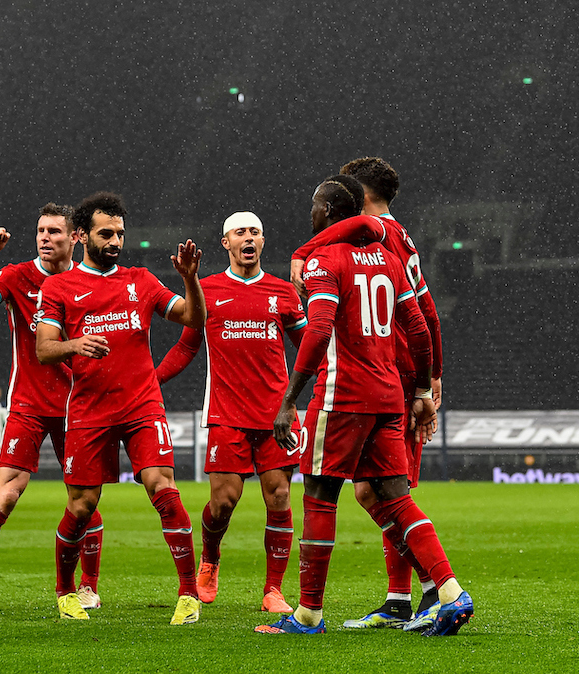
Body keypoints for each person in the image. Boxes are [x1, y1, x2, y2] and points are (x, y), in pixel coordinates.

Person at [256, 176, 472, 636]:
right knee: (396, 497)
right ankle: (452, 592)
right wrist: (419, 392)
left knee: (319, 495)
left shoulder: (324, 259)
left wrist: (289, 399)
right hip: (390, 395)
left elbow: (317, 332)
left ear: (330, 211)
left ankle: (309, 614)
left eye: (315, 206)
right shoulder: (389, 259)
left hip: (341, 396)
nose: (310, 213)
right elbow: (417, 326)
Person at [35, 191, 206, 625]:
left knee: (162, 487)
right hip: (90, 410)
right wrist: (75, 344)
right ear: (81, 236)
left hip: (141, 404)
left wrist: (190, 278)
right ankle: (65, 592)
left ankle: (188, 596)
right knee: (82, 506)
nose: (115, 241)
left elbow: (191, 318)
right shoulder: (58, 286)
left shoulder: (141, 280)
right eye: (105, 233)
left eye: (120, 234)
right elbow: (44, 349)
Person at [289, 157, 445, 631]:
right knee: (374, 490)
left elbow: (415, 316)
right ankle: (403, 597)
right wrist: (432, 376)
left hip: (377, 378)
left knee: (388, 492)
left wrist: (422, 384)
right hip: (396, 376)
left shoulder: (374, 236)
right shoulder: (396, 240)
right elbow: (427, 314)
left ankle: (432, 591)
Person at [0, 203, 105, 612]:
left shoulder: (91, 282)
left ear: (75, 238)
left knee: (84, 503)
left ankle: (88, 585)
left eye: (54, 231)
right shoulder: (19, 276)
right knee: (6, 494)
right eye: (40, 230)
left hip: (80, 406)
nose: (44, 238)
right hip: (28, 405)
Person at [155, 211, 306, 613]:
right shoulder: (206, 289)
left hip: (276, 414)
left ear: (262, 240)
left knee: (279, 496)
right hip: (226, 414)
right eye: (240, 232)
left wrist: (297, 400)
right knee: (223, 502)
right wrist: (151, 380)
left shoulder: (283, 292)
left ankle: (273, 590)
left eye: (255, 231)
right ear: (226, 243)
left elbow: (308, 347)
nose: (249, 238)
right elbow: (187, 347)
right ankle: (211, 558)